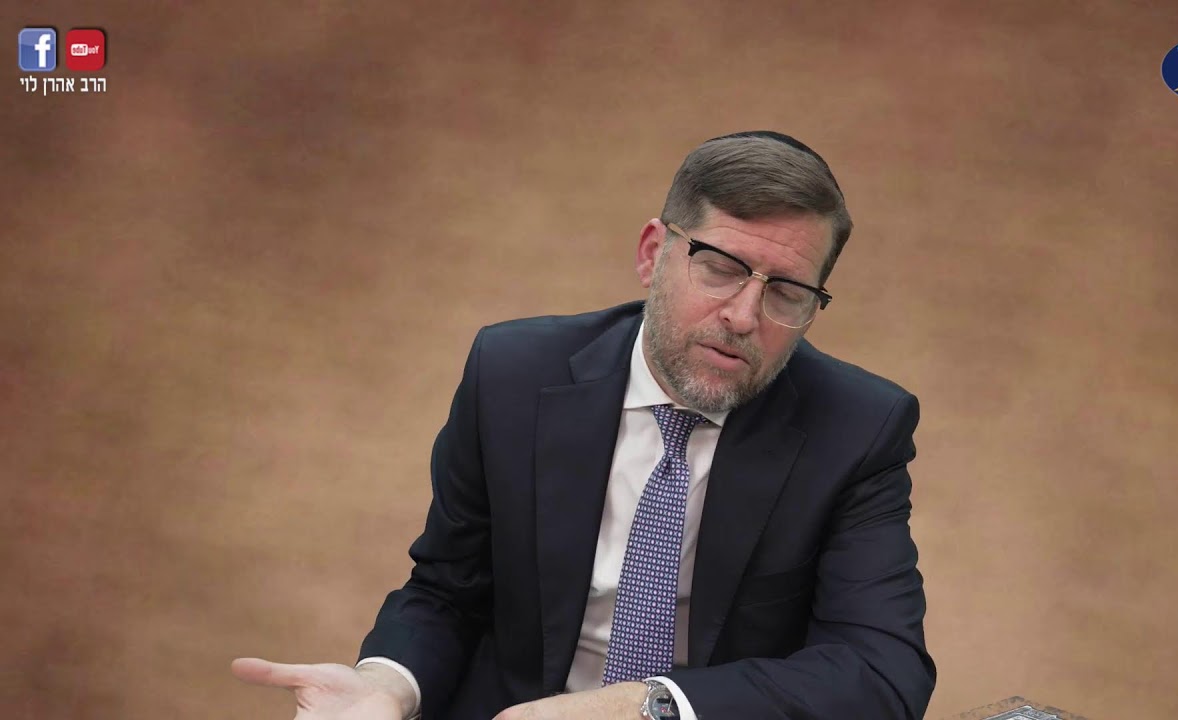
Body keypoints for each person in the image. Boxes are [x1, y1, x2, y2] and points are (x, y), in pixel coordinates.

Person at [232, 131, 936, 719]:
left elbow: (882, 670)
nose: (744, 316)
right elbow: (449, 589)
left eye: (787, 291)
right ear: (652, 253)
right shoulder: (512, 374)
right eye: (721, 267)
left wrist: (649, 708)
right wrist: (389, 685)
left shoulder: (857, 428)